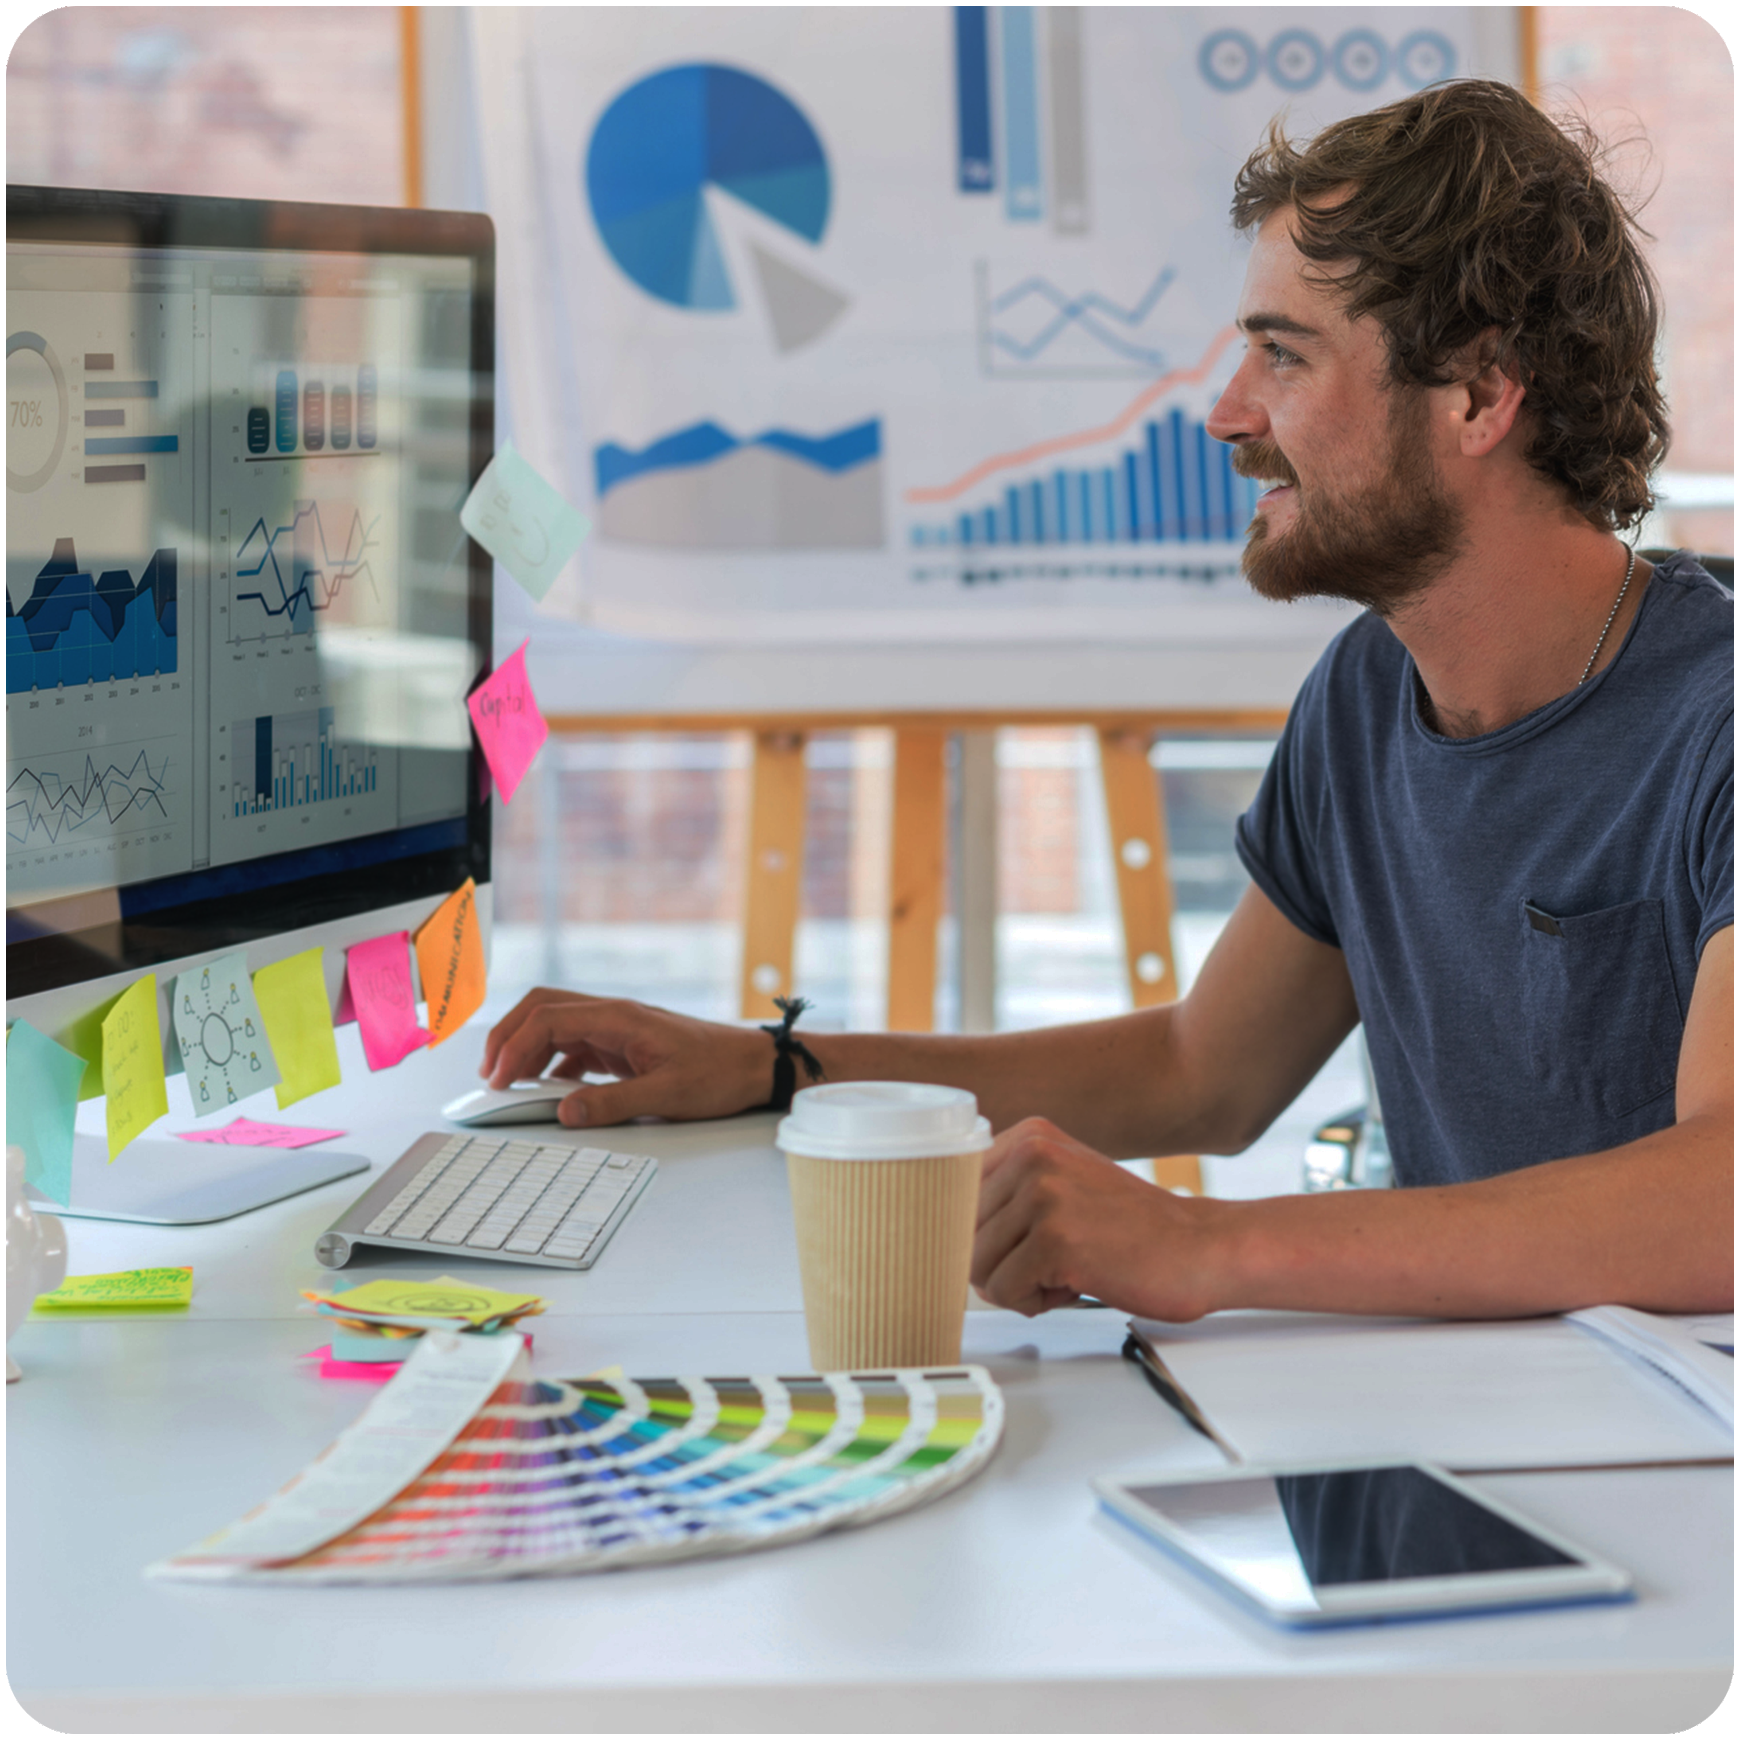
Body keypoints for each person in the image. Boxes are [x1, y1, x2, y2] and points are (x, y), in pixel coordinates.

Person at [483, 80, 1732, 1323]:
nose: (1226, 413)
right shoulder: (1367, 697)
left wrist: (1212, 1250)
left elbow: (1718, 1198)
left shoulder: (1717, 715)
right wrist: (772, 1066)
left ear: (1475, 395)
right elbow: (1202, 1071)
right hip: (1455, 1447)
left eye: (1283, 355)